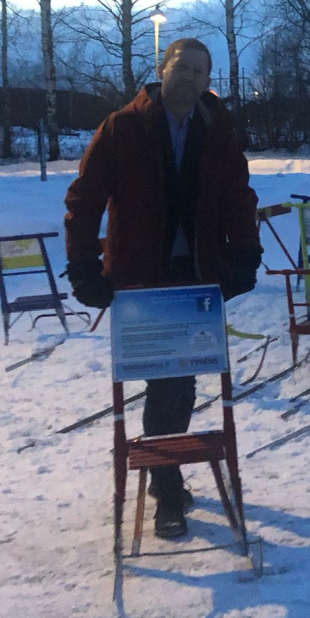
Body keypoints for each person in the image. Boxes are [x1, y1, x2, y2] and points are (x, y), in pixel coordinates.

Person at [64, 37, 261, 540]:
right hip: (141, 277)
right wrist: (84, 264)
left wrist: (245, 253)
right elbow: (85, 197)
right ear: (161, 70)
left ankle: (162, 471)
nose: (191, 78)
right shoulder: (123, 126)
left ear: (207, 79)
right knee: (161, 381)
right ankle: (168, 492)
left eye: (200, 70)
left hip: (197, 274)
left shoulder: (217, 128)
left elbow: (238, 195)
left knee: (186, 379)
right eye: (183, 68)